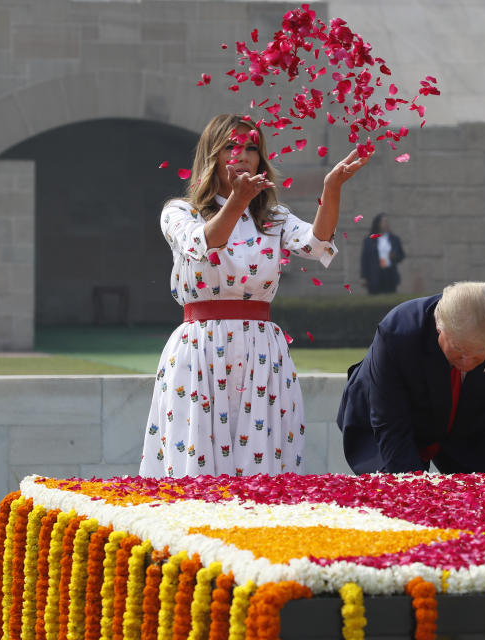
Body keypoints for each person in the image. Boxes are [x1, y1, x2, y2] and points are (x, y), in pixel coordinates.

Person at [140, 113, 372, 478]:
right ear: (212, 156)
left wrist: (332, 189)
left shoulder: (272, 217)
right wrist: (236, 200)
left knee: (261, 468)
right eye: (232, 146)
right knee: (197, 466)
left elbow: (316, 244)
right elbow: (205, 243)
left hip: (260, 347)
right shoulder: (181, 212)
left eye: (251, 148)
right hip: (200, 345)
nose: (243, 155)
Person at [337, 281, 485, 473]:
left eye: (478, 353)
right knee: (398, 493)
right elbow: (390, 422)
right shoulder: (399, 332)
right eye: (459, 350)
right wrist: (411, 487)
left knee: (482, 495)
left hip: (467, 426)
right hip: (389, 422)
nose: (467, 362)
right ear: (439, 328)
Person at [360, 212, 405, 293]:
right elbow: (364, 259)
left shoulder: (394, 239)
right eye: (383, 222)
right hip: (375, 274)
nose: (386, 224)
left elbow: (401, 255)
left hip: (390, 274)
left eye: (387, 222)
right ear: (378, 223)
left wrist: (395, 257)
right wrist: (364, 277)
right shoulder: (369, 240)